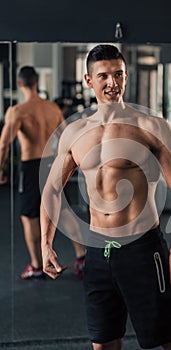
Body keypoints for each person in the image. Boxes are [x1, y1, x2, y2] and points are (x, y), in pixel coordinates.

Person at [41, 45, 171, 350]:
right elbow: (50, 189)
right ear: (89, 80)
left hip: (143, 251)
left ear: (126, 76)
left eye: (117, 74)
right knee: (103, 343)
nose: (111, 82)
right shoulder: (74, 133)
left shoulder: (150, 126)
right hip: (98, 254)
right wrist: (45, 244)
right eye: (103, 76)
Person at [0, 66, 85, 279]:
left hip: (30, 167)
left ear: (20, 84)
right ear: (37, 82)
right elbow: (68, 135)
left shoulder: (17, 111)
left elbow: (3, 145)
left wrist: (1, 168)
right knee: (64, 211)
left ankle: (37, 266)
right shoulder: (52, 109)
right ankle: (81, 258)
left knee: (29, 216)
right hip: (53, 163)